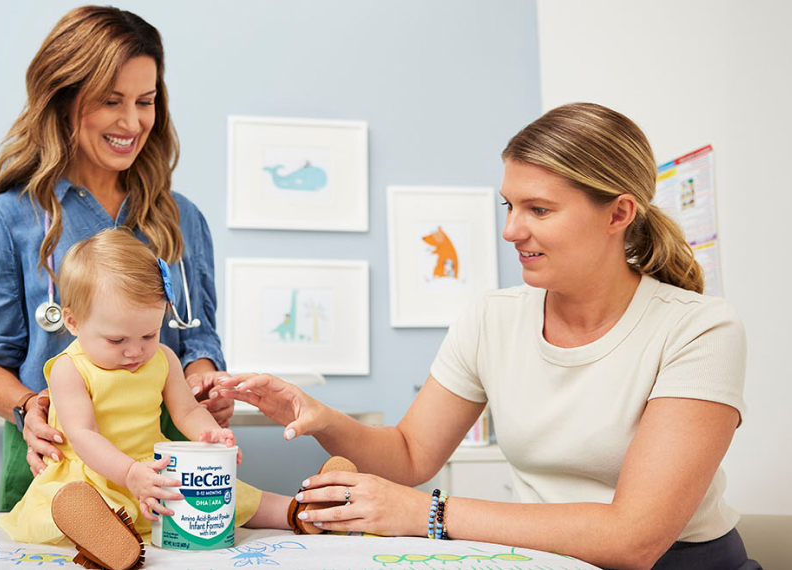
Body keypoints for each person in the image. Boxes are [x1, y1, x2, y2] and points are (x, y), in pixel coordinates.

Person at [220, 103, 760, 570]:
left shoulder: (699, 329)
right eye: (510, 205)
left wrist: (423, 513)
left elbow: (634, 538)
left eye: (539, 209)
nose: (511, 230)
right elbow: (409, 455)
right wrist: (320, 416)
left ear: (619, 212)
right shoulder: (492, 318)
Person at [0, 6, 233, 511]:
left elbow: (197, 338)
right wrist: (27, 408)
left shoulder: (182, 218)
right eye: (110, 101)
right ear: (64, 99)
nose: (132, 122)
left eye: (145, 102)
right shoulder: (9, 219)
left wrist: (202, 388)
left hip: (167, 465)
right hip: (58, 462)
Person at [0, 229, 289, 544]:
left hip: (151, 465)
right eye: (116, 340)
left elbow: (187, 410)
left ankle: (300, 511)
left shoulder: (163, 359)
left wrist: (210, 435)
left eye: (149, 334)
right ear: (73, 322)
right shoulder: (70, 369)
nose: (135, 351)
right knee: (89, 509)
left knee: (239, 496)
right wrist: (129, 474)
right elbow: (83, 435)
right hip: (95, 472)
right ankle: (107, 540)